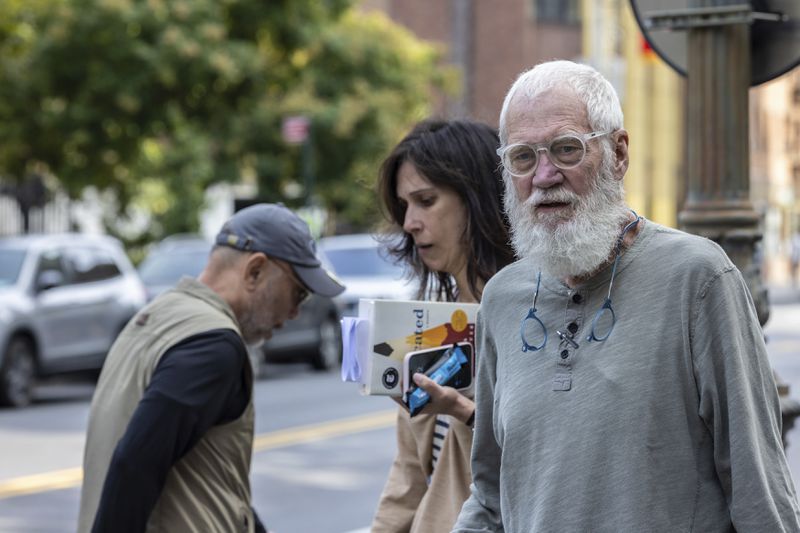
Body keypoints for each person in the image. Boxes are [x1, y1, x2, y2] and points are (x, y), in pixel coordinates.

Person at [453, 60, 800, 532]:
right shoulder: (501, 298)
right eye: (523, 157)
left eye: (566, 149)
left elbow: (758, 488)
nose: (544, 175)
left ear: (618, 153)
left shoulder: (697, 279)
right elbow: (492, 497)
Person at [77, 203, 345, 533]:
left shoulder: (156, 317)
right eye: (298, 292)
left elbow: (213, 482)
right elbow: (135, 463)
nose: (294, 313)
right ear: (255, 271)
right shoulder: (212, 344)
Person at [371, 119, 515, 533]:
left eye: (426, 200)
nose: (410, 222)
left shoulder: (535, 317)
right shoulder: (432, 321)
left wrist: (462, 412)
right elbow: (408, 476)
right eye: (404, 206)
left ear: (478, 199)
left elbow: (544, 465)